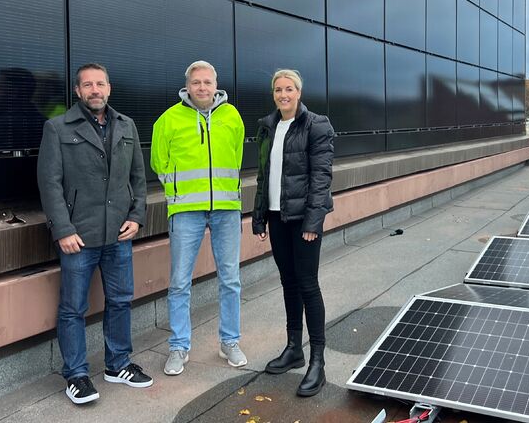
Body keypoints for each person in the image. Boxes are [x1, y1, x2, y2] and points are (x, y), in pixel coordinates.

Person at [37, 63, 153, 405]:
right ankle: (76, 374)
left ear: (109, 88)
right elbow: (50, 184)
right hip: (79, 238)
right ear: (77, 91)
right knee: (73, 308)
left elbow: (138, 179)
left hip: (118, 233)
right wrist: (63, 229)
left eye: (99, 84)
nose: (94, 90)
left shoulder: (126, 125)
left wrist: (137, 216)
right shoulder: (57, 127)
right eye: (87, 85)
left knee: (120, 300)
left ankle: (118, 364)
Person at [150, 61, 247, 375]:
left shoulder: (232, 116)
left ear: (215, 84)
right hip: (185, 211)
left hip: (226, 208)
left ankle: (229, 342)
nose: (202, 87)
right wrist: (177, 190)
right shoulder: (169, 119)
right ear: (187, 86)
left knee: (230, 279)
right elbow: (158, 161)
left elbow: (236, 157)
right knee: (180, 282)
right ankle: (179, 347)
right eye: (196, 82)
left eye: (207, 82)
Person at [252, 69, 335, 397]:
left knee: (308, 285)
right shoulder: (268, 126)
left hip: (303, 220)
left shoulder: (316, 125)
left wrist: (313, 223)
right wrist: (259, 217)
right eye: (278, 89)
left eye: (289, 89)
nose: (283, 94)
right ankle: (293, 348)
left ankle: (318, 360)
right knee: (288, 283)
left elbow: (321, 177)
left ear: (299, 92)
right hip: (277, 216)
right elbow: (263, 176)